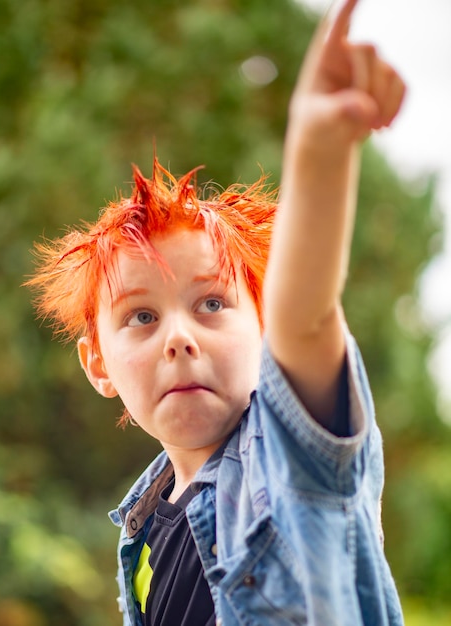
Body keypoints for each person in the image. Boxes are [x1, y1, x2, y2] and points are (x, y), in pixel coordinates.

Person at [27, 0, 406, 623]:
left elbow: (305, 314)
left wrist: (318, 145)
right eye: (141, 317)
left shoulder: (285, 459)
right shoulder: (143, 529)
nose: (179, 338)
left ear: (261, 324)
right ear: (97, 362)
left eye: (211, 303)